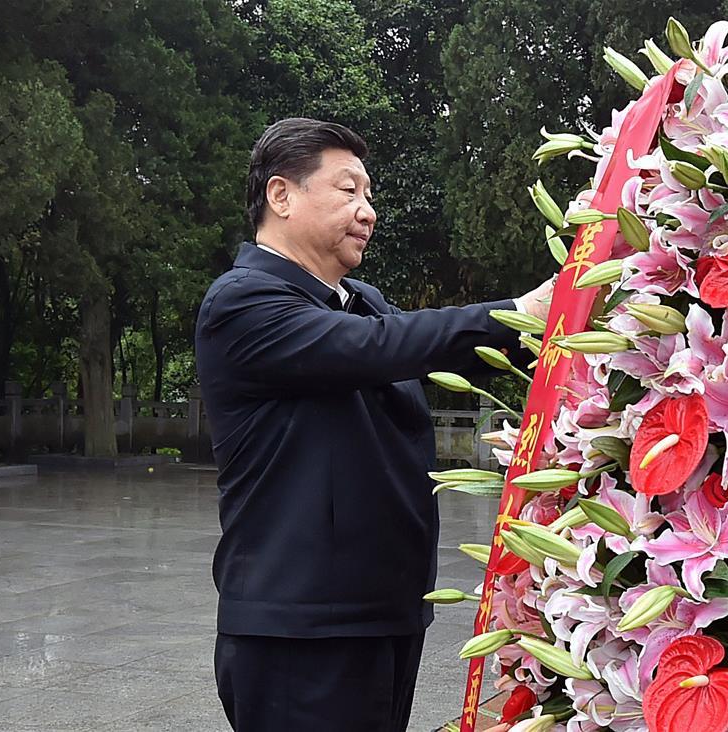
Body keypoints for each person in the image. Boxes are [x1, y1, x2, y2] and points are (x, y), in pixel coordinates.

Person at [195, 117, 553, 731]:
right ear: (281, 196)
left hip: (385, 612)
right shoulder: (243, 301)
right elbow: (380, 347)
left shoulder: (360, 301)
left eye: (370, 196)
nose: (368, 212)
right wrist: (518, 313)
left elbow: (434, 349)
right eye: (348, 190)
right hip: (302, 630)